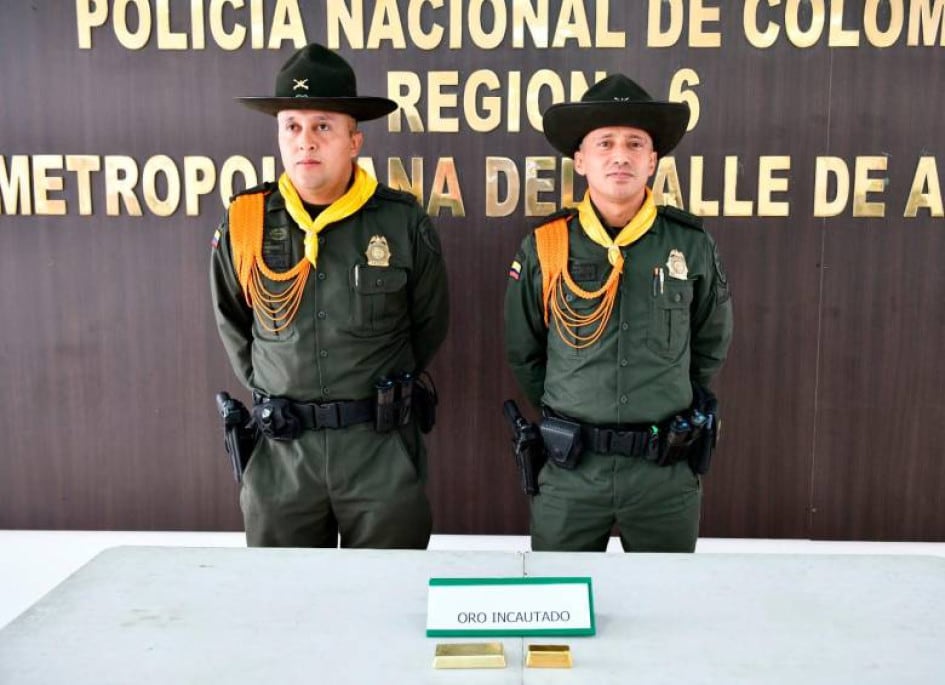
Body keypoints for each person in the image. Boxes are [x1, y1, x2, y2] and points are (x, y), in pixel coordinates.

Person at [210, 43, 449, 548]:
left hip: (378, 450)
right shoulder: (246, 222)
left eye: (323, 127)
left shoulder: (401, 223)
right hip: (283, 455)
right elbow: (234, 322)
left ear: (354, 140)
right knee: (286, 612)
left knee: (390, 605)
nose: (306, 142)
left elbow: (429, 324)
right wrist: (278, 383)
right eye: (292, 127)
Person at [504, 74, 733, 552]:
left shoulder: (690, 245)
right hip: (572, 471)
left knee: (666, 614)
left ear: (652, 159)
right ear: (581, 158)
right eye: (604, 142)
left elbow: (709, 344)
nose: (620, 155)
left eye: (635, 143)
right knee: (558, 612)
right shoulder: (546, 246)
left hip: (663, 474)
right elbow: (525, 352)